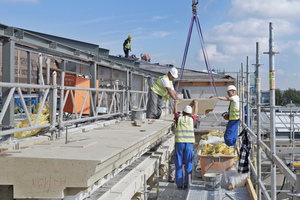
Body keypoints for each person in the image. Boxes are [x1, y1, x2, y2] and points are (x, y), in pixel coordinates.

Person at [173, 99, 198, 189]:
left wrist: (175, 103)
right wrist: (196, 104)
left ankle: (179, 184)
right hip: (189, 144)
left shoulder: (179, 118)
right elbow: (195, 113)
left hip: (179, 143)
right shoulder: (192, 119)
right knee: (189, 163)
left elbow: (175, 113)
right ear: (190, 114)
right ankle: (187, 183)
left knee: (179, 163)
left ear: (183, 112)